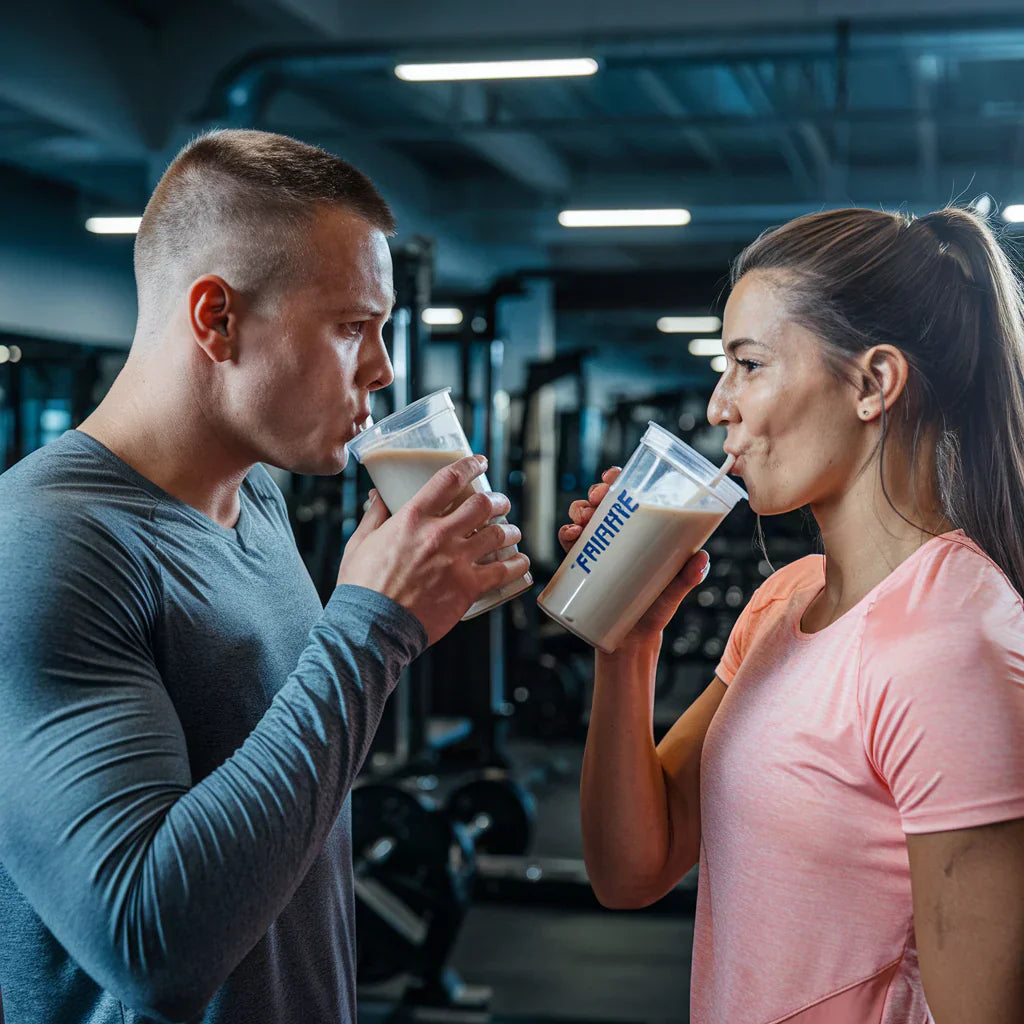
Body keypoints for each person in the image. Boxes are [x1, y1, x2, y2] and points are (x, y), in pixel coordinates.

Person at [0, 129, 529, 1022]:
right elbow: (150, 944)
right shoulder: (48, 544)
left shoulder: (261, 502)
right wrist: (372, 624)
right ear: (217, 319)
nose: (384, 367)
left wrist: (398, 615)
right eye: (352, 326)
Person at [565, 207, 1024, 1023]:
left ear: (873, 383)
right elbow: (631, 870)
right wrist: (625, 644)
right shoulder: (786, 601)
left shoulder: (949, 644)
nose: (718, 406)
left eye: (748, 364)